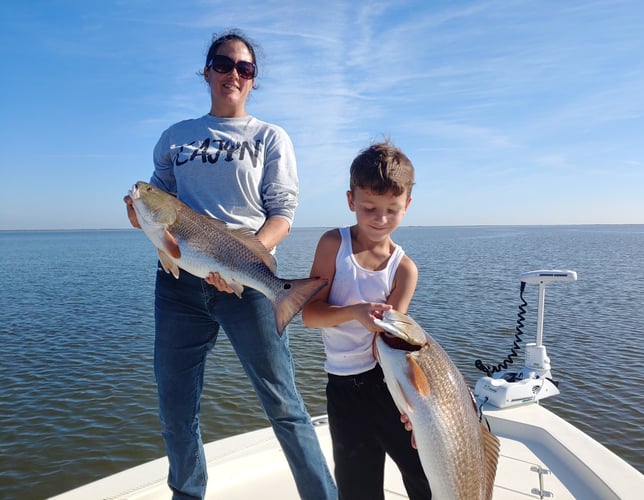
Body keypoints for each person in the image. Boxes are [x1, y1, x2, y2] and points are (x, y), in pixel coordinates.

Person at [124, 29, 337, 500]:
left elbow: (283, 212)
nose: (233, 75)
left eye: (245, 68)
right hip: (179, 285)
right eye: (223, 64)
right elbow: (161, 207)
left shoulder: (269, 137)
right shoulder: (175, 138)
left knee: (284, 405)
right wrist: (138, 212)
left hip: (249, 279)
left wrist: (244, 256)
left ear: (254, 79)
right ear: (207, 72)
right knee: (176, 408)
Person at [302, 141, 431, 499]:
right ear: (350, 201)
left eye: (392, 209)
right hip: (343, 390)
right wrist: (357, 313)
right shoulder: (333, 244)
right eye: (369, 207)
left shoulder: (404, 270)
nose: (380, 219)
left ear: (407, 205)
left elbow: (392, 348)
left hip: (387, 386)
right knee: (358, 489)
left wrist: (412, 410)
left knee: (426, 482)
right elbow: (311, 316)